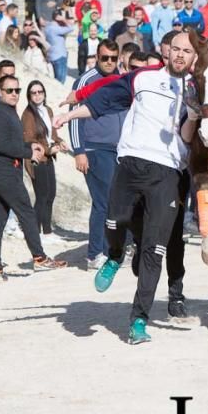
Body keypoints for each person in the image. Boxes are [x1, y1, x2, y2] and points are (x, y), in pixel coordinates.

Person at [54, 32, 198, 344]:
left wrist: (196, 111)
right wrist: (69, 115)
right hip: (131, 161)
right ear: (166, 50)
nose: (181, 55)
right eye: (176, 49)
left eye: (187, 51)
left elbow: (188, 136)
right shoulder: (142, 79)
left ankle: (138, 322)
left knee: (154, 251)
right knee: (114, 219)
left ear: (194, 57)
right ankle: (115, 256)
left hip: (168, 171)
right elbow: (103, 101)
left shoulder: (196, 89)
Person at [0, 74, 67, 281]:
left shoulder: (9, 112)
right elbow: (4, 146)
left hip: (1, 172)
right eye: (9, 90)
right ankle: (39, 256)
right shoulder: (0, 114)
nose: (14, 94)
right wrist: (30, 153)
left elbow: (13, 142)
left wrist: (31, 146)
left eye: (17, 90)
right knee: (27, 213)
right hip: (3, 173)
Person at [68, 40, 124, 269]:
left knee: (115, 201)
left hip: (118, 149)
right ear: (97, 57)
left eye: (113, 58)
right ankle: (94, 254)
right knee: (103, 201)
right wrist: (79, 151)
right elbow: (73, 117)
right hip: (94, 148)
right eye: (105, 58)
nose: (109, 62)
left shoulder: (121, 78)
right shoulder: (86, 80)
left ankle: (109, 248)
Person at [22, 80, 66, 245]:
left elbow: (52, 134)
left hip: (48, 158)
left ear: (44, 93)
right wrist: (48, 150)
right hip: (36, 159)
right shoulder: (28, 114)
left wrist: (59, 141)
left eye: (40, 91)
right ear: (29, 96)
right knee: (41, 196)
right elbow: (29, 140)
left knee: (51, 194)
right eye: (34, 92)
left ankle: (47, 232)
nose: (37, 95)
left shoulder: (47, 110)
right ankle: (35, 233)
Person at [45, 9, 74, 84]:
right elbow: (71, 28)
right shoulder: (55, 28)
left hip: (53, 56)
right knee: (60, 82)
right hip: (59, 56)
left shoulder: (48, 27)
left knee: (56, 81)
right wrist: (64, 20)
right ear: (58, 17)